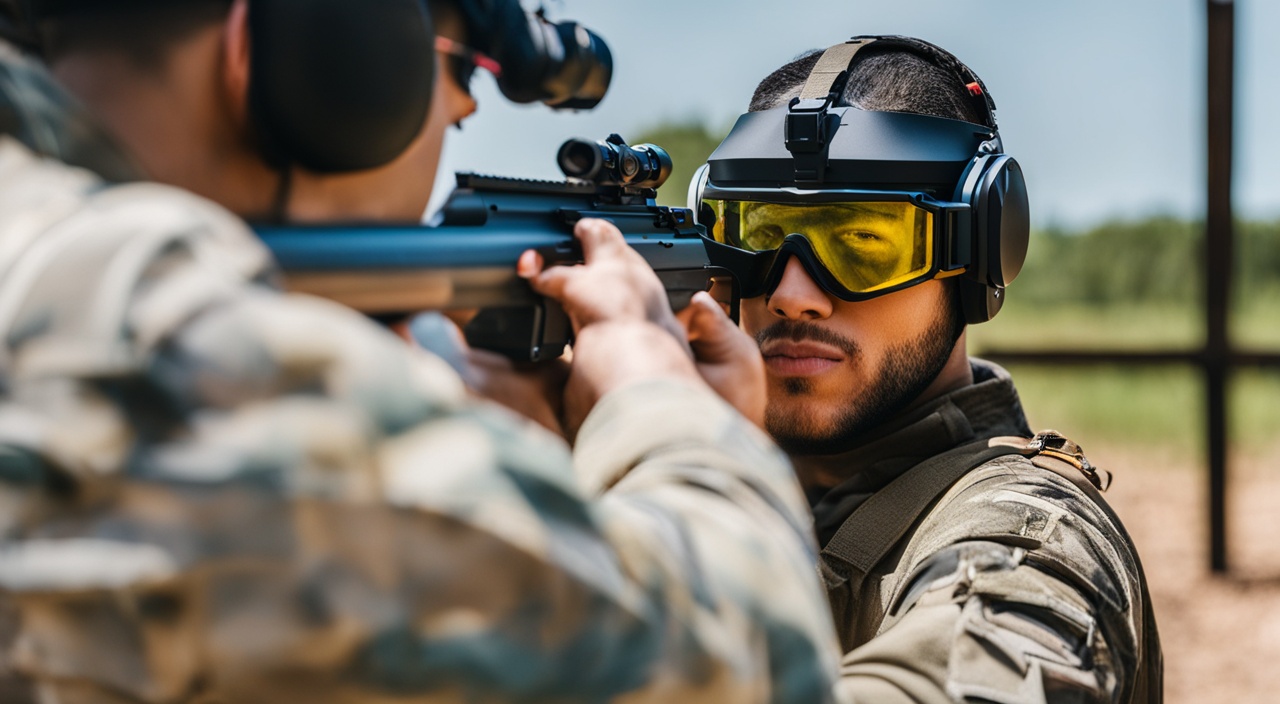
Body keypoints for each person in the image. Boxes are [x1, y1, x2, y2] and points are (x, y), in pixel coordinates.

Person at [0, 1, 845, 701]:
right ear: (308, 43)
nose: (461, 113)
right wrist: (671, 415)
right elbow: (753, 666)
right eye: (448, 68)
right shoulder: (149, 326)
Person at [691, 35, 1162, 702]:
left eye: (861, 242)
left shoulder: (1026, 534)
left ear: (977, 253)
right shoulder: (705, 477)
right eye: (759, 237)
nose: (792, 293)